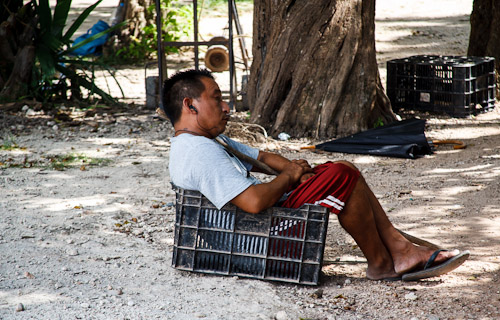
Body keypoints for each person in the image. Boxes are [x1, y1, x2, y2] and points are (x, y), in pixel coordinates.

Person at [162, 69, 469, 281]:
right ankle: (388, 259)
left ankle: (395, 254)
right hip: (252, 243)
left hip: (253, 231)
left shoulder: (207, 140)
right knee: (339, 174)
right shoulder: (199, 152)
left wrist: (297, 171)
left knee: (341, 171)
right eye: (217, 98)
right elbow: (254, 203)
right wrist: (291, 177)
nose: (227, 107)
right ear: (190, 105)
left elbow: (263, 157)